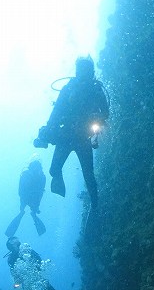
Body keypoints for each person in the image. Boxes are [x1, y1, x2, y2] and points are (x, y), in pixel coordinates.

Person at [34, 55, 109, 212]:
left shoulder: (97, 90)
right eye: (80, 70)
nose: (82, 74)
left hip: (84, 138)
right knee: (54, 170)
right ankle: (93, 204)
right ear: (76, 71)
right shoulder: (68, 89)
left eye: (86, 70)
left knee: (89, 176)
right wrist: (47, 131)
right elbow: (56, 112)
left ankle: (95, 206)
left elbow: (106, 113)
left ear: (91, 72)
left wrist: (97, 120)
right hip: (66, 136)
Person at [5, 159, 46, 238]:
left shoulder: (27, 174)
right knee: (30, 211)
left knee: (25, 211)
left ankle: (24, 213)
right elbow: (41, 192)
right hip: (32, 199)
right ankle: (29, 214)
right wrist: (36, 206)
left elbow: (20, 191)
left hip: (27, 198)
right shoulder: (40, 176)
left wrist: (23, 204)